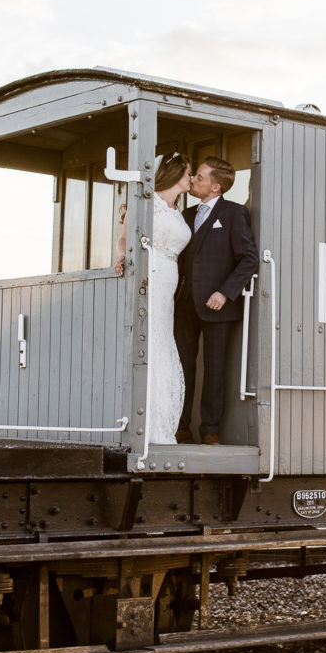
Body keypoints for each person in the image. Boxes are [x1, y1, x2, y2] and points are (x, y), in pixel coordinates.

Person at [176, 156, 258, 445]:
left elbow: (249, 260)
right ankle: (180, 426)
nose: (194, 180)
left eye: (199, 176)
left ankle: (209, 430)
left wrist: (224, 292)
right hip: (184, 304)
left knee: (215, 369)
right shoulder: (184, 216)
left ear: (216, 186)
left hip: (218, 306)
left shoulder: (234, 214)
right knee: (181, 367)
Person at [133, 153, 191, 445]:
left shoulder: (177, 210)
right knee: (152, 341)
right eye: (187, 174)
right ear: (175, 174)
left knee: (164, 342)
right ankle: (147, 424)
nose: (190, 179)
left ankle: (162, 423)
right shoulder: (147, 203)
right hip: (152, 276)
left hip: (170, 280)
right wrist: (121, 255)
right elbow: (126, 238)